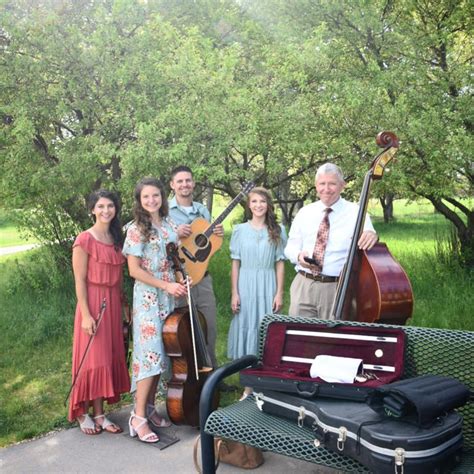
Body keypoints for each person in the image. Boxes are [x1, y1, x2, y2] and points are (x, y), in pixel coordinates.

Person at [123, 177, 188, 443]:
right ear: (139, 201)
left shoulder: (170, 224)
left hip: (169, 296)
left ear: (163, 196)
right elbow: (134, 270)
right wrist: (165, 285)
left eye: (155, 195)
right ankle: (137, 417)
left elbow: (175, 259)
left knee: (163, 353)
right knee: (149, 355)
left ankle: (150, 408)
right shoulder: (136, 229)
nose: (151, 200)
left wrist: (181, 279)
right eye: (146, 197)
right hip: (149, 297)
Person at [68, 189, 130, 435]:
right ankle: (82, 412)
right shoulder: (84, 239)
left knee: (106, 359)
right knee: (92, 360)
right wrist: (85, 314)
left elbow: (119, 278)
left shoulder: (116, 238)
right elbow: (79, 281)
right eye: (101, 206)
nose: (106, 210)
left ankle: (100, 414)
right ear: (92, 209)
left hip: (113, 303)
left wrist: (125, 306)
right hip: (92, 303)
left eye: (110, 206)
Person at [284, 163, 378, 319]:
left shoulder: (357, 213)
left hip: (336, 288)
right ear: (316, 185)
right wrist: (298, 256)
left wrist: (371, 234)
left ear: (342, 185)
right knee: (299, 333)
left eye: (332, 184)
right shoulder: (304, 212)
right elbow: (290, 247)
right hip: (303, 285)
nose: (326, 189)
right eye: (322, 183)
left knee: (331, 333)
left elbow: (369, 236)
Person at [228, 187, 287, 399]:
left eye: (262, 201)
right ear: (248, 205)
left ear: (268, 205)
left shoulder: (278, 230)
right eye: (254, 201)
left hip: (267, 283)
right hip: (245, 284)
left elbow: (280, 264)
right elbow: (236, 263)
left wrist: (279, 293)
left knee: (266, 330)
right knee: (247, 329)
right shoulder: (239, 230)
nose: (258, 205)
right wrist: (234, 293)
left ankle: (265, 383)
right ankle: (248, 387)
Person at [168, 166, 224, 373]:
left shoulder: (202, 210)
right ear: (172, 185)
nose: (185, 184)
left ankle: (212, 377)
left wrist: (218, 234)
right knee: (181, 331)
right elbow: (154, 239)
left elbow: (206, 247)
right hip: (178, 280)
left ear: (193, 183)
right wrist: (175, 233)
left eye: (188, 180)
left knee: (209, 327)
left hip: (202, 278)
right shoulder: (164, 211)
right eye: (180, 181)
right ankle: (184, 376)